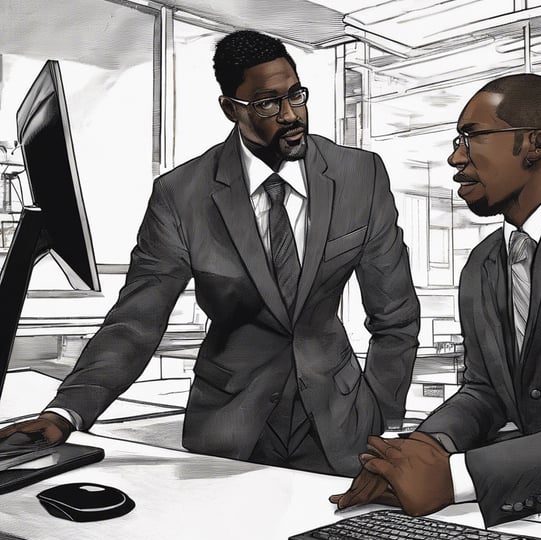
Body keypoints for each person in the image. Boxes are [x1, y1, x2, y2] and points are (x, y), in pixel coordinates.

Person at [0, 30, 419, 476]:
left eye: (296, 94)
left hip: (342, 425)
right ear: (230, 109)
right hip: (229, 428)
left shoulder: (359, 174)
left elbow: (394, 314)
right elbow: (137, 321)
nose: (292, 114)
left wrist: (384, 422)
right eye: (267, 102)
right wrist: (65, 413)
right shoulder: (182, 195)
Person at [331, 73, 541, 540]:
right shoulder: (484, 264)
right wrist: (421, 449)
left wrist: (456, 476)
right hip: (527, 523)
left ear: (536, 143)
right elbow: (484, 390)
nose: (455, 156)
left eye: (471, 136)